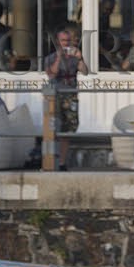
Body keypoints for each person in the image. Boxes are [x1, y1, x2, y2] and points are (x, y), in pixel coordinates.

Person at [44, 26, 86, 168]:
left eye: (68, 41)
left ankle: (62, 161)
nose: (66, 43)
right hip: (55, 95)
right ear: (58, 42)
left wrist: (80, 58)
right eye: (63, 41)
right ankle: (50, 160)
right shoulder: (50, 58)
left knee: (69, 128)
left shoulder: (74, 57)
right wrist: (59, 58)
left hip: (70, 95)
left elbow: (85, 71)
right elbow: (52, 74)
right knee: (53, 127)